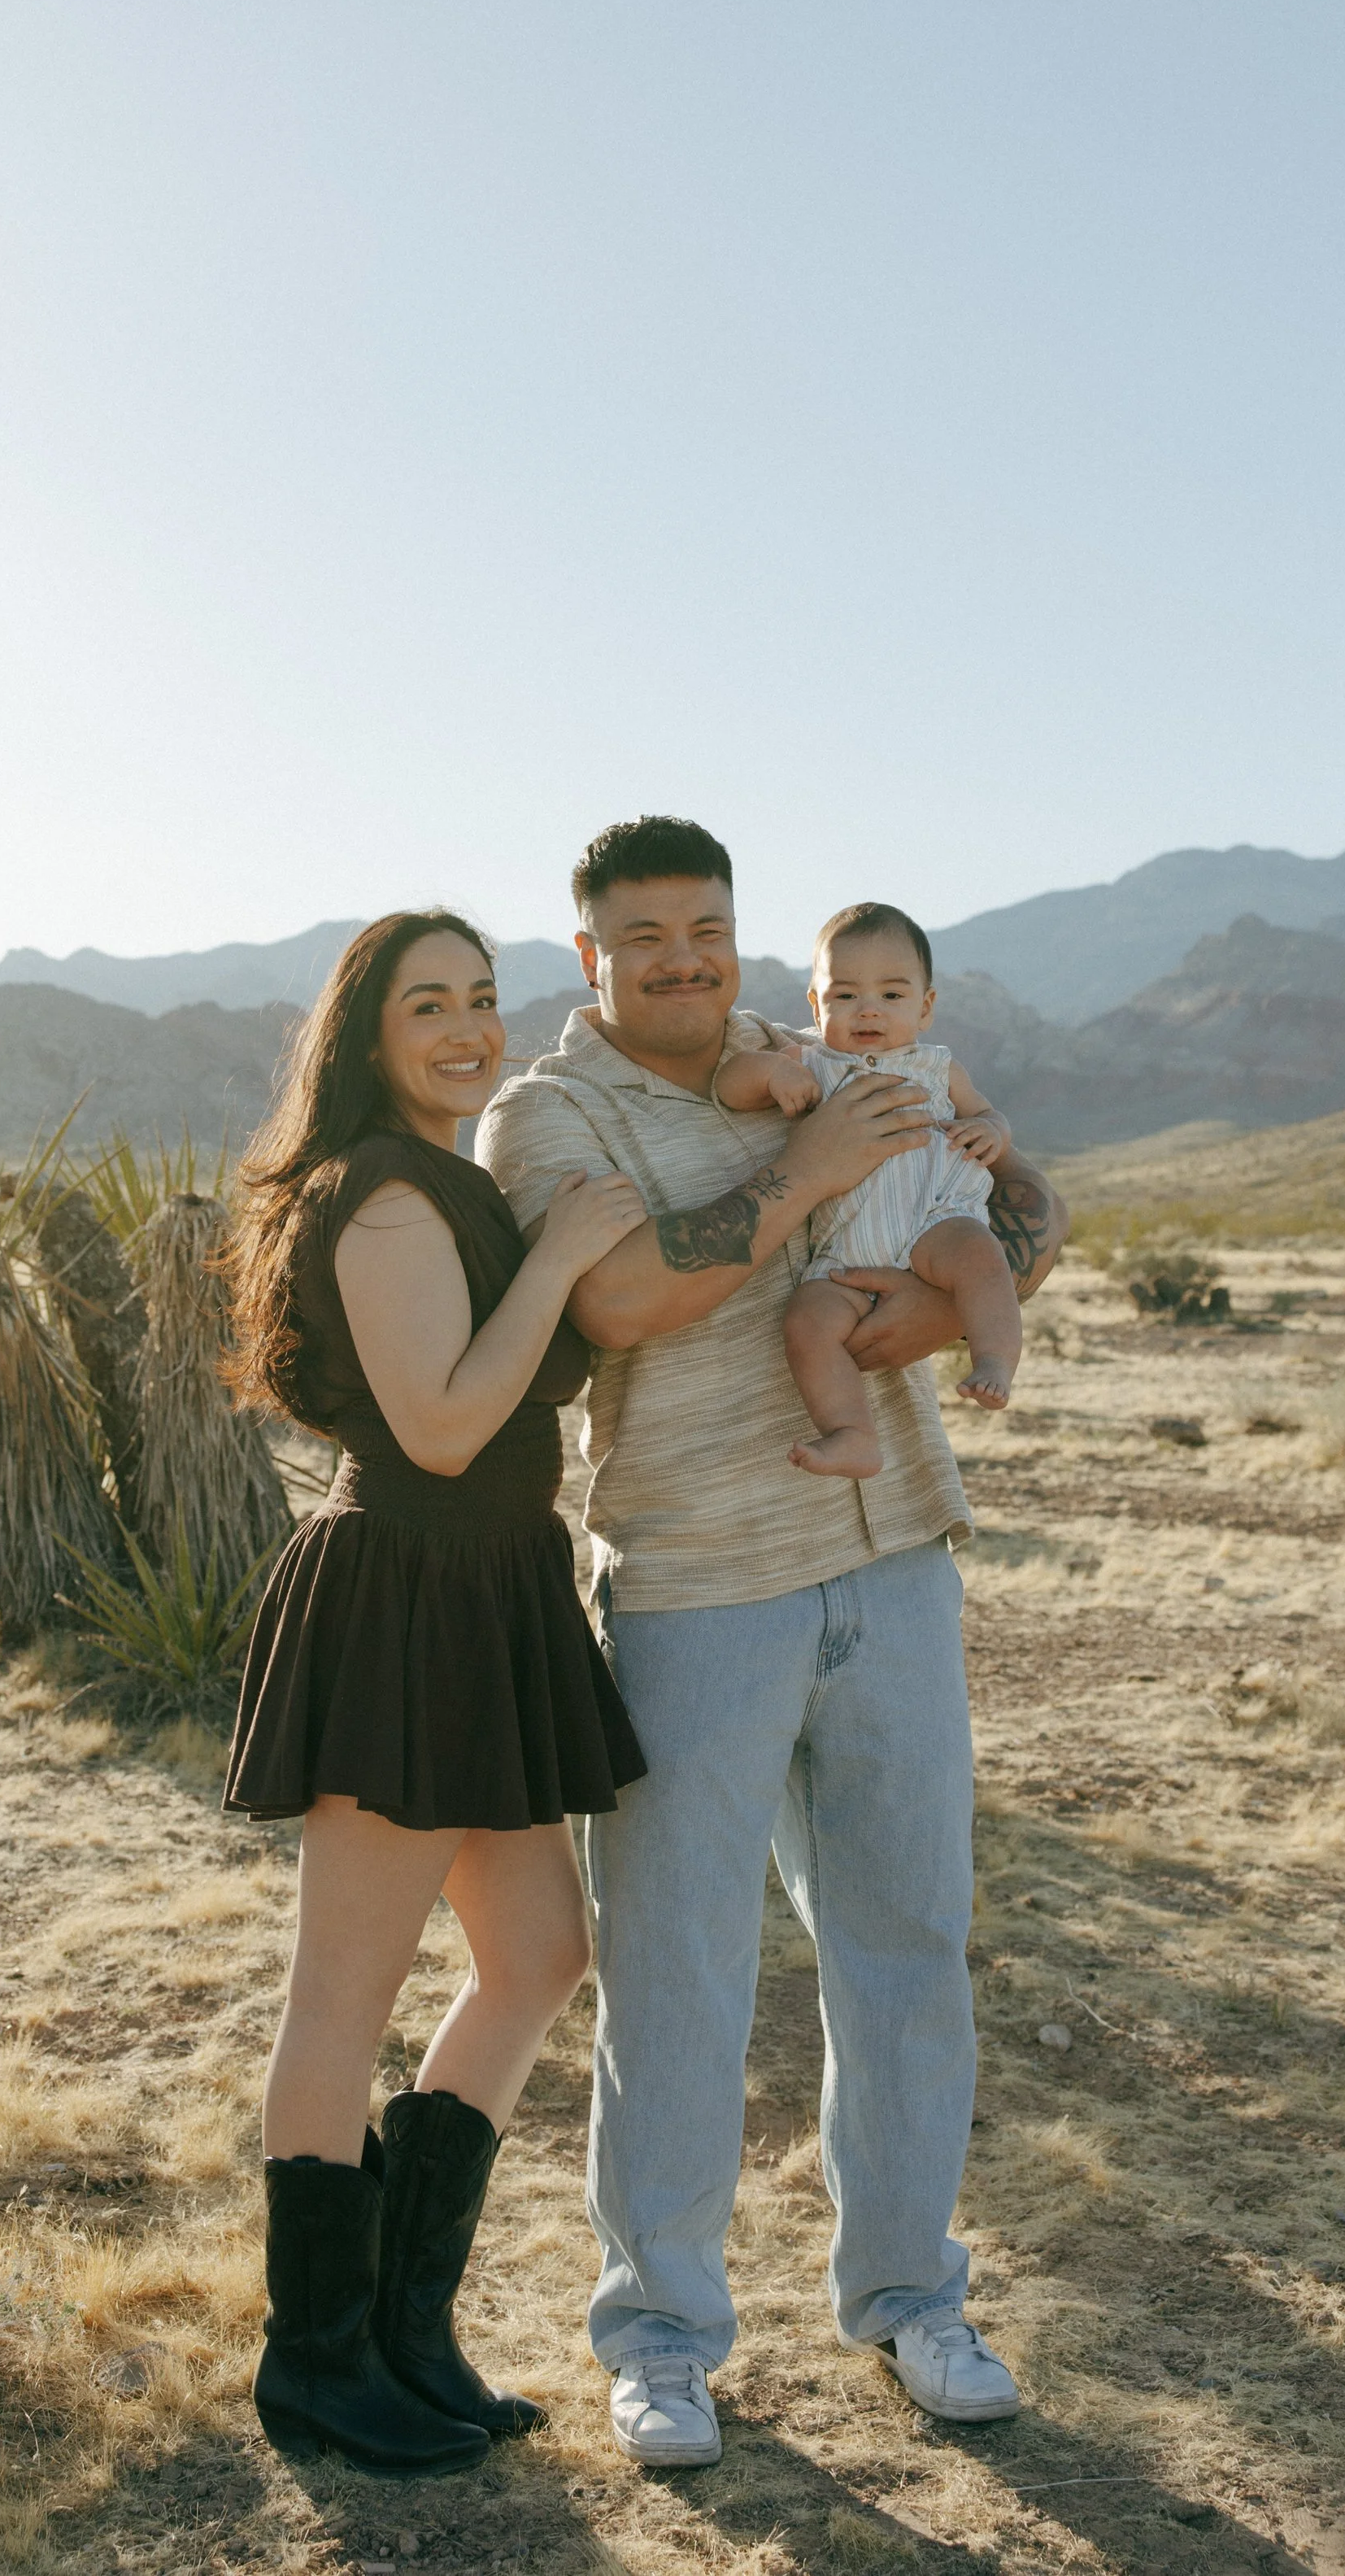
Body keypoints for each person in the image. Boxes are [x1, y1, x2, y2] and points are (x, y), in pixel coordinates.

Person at [477, 821, 1067, 2469]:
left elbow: (1017, 1209)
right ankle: (659, 2337)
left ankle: (908, 2298)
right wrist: (801, 1187)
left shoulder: (807, 1051)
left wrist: (970, 1262)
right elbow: (617, 1308)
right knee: (673, 1968)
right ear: (587, 953)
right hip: (692, 1581)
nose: (682, 954)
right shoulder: (553, 1112)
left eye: (707, 926)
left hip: (889, 1562)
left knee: (907, 1944)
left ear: (740, 939)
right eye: (644, 933)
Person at [220, 910, 649, 2475]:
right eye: (429, 1005)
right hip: (405, 1597)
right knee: (343, 1996)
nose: (469, 1028)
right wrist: (554, 1263)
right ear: (367, 1031)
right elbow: (451, 1427)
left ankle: (405, 2329)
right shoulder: (388, 1200)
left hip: (489, 1601)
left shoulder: (451, 1180)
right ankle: (315, 2361)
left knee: (537, 1952)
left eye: (483, 998)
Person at [713, 900, 1022, 1475]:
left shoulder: (937, 1068)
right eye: (845, 995)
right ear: (815, 1002)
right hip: (845, 1250)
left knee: (982, 1257)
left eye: (892, 995)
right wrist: (772, 1074)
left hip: (936, 1222)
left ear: (926, 1007)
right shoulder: (812, 1060)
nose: (868, 1011)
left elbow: (992, 1116)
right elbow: (731, 1087)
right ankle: (852, 1432)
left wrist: (989, 1131)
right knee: (807, 1322)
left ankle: (995, 1360)